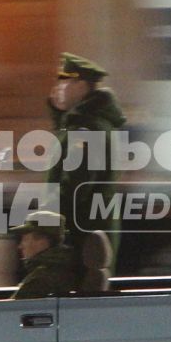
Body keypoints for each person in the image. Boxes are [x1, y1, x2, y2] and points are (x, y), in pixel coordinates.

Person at [48, 52, 128, 244]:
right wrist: (59, 114)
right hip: (86, 233)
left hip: (82, 238)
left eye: (63, 82)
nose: (58, 88)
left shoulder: (88, 131)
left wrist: (46, 219)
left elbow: (75, 187)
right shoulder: (88, 124)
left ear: (81, 86)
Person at [11, 209, 80, 300]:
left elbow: (15, 309)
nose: (20, 246)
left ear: (42, 241)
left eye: (25, 239)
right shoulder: (60, 268)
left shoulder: (42, 278)